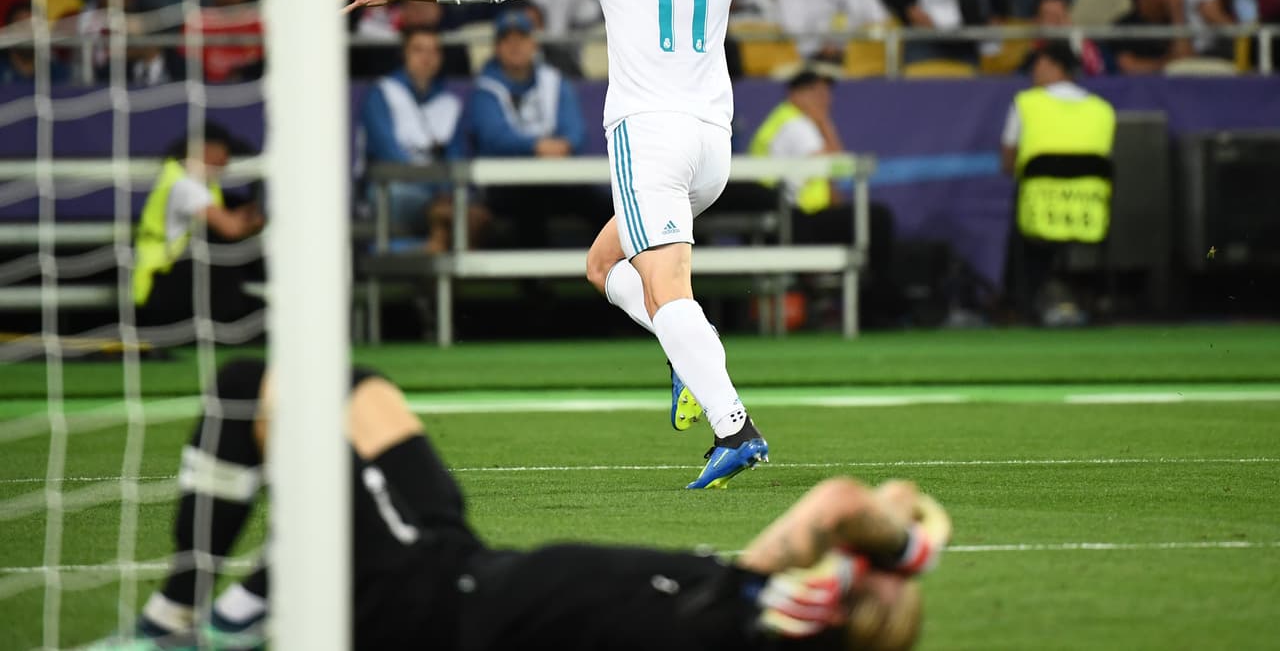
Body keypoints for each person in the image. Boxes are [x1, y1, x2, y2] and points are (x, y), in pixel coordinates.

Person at [343, 0, 976, 489]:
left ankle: (734, 426)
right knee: (602, 264)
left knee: (669, 291)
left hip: (650, 140)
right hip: (711, 147)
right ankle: (689, 349)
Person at [94, 356, 951, 651]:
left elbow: (844, 505)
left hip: (425, 599)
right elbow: (839, 522)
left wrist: (913, 545)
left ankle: (176, 621)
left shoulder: (741, 627)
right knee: (361, 392)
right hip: (455, 559)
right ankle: (256, 599)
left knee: (259, 386)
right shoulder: (741, 600)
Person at [749, 70, 898, 323]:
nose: (825, 99)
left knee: (866, 219)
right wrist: (824, 121)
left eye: (826, 93)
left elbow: (827, 180)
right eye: (817, 92)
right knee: (877, 219)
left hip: (790, 216)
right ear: (795, 95)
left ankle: (871, 305)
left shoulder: (788, 120)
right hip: (793, 219)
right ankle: (876, 309)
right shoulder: (795, 125)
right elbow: (837, 164)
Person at [461, 6, 598, 249]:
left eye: (522, 38)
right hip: (504, 183)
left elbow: (575, 132)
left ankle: (620, 266)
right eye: (507, 40)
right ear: (497, 48)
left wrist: (564, 145)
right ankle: (540, 274)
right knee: (530, 202)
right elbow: (494, 138)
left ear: (534, 44)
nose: (515, 46)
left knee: (600, 204)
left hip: (554, 177)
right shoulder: (486, 88)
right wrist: (537, 146)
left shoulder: (554, 81)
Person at [1000, 41, 1116, 326]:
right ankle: (1097, 298)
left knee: (1021, 200)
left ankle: (1020, 304)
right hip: (1090, 215)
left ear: (1056, 66)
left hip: (1038, 214)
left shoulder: (1025, 103)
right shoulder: (1103, 109)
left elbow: (1008, 164)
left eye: (1038, 65)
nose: (1033, 72)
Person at [133, 122, 266, 336]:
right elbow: (231, 228)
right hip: (162, 289)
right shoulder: (186, 185)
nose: (226, 162)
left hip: (167, 286)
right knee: (216, 245)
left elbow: (228, 220)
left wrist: (248, 214)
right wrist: (261, 219)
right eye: (225, 152)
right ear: (207, 149)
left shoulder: (185, 178)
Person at [359, 26, 480, 254]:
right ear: (404, 54)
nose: (427, 58)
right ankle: (437, 252)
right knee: (453, 212)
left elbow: (455, 156)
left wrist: (446, 189)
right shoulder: (383, 93)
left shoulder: (449, 103)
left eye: (434, 51)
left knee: (472, 209)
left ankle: (436, 250)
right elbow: (390, 157)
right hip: (391, 187)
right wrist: (438, 189)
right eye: (418, 50)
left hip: (438, 191)